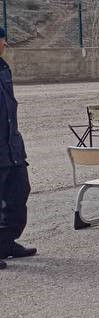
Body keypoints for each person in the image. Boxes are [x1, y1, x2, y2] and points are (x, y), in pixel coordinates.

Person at [0, 26, 32, 265]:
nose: (5, 45)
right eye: (2, 41)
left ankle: (6, 243)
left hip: (12, 148)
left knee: (18, 194)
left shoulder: (3, 69)